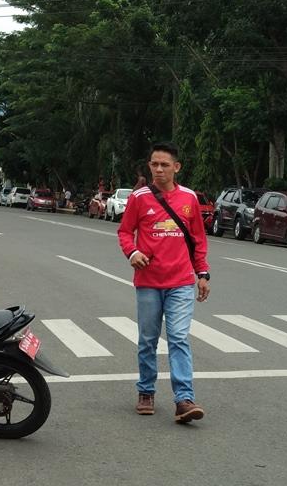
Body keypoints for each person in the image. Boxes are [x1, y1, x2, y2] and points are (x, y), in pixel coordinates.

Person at [117, 141, 210, 423]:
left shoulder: (189, 199)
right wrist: (132, 253)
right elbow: (124, 232)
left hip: (180, 282)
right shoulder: (139, 198)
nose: (159, 169)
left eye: (164, 165)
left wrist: (202, 274)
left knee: (179, 337)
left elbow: (198, 240)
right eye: (154, 164)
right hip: (148, 282)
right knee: (147, 339)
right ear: (149, 166)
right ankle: (146, 391)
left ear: (176, 167)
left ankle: (184, 399)